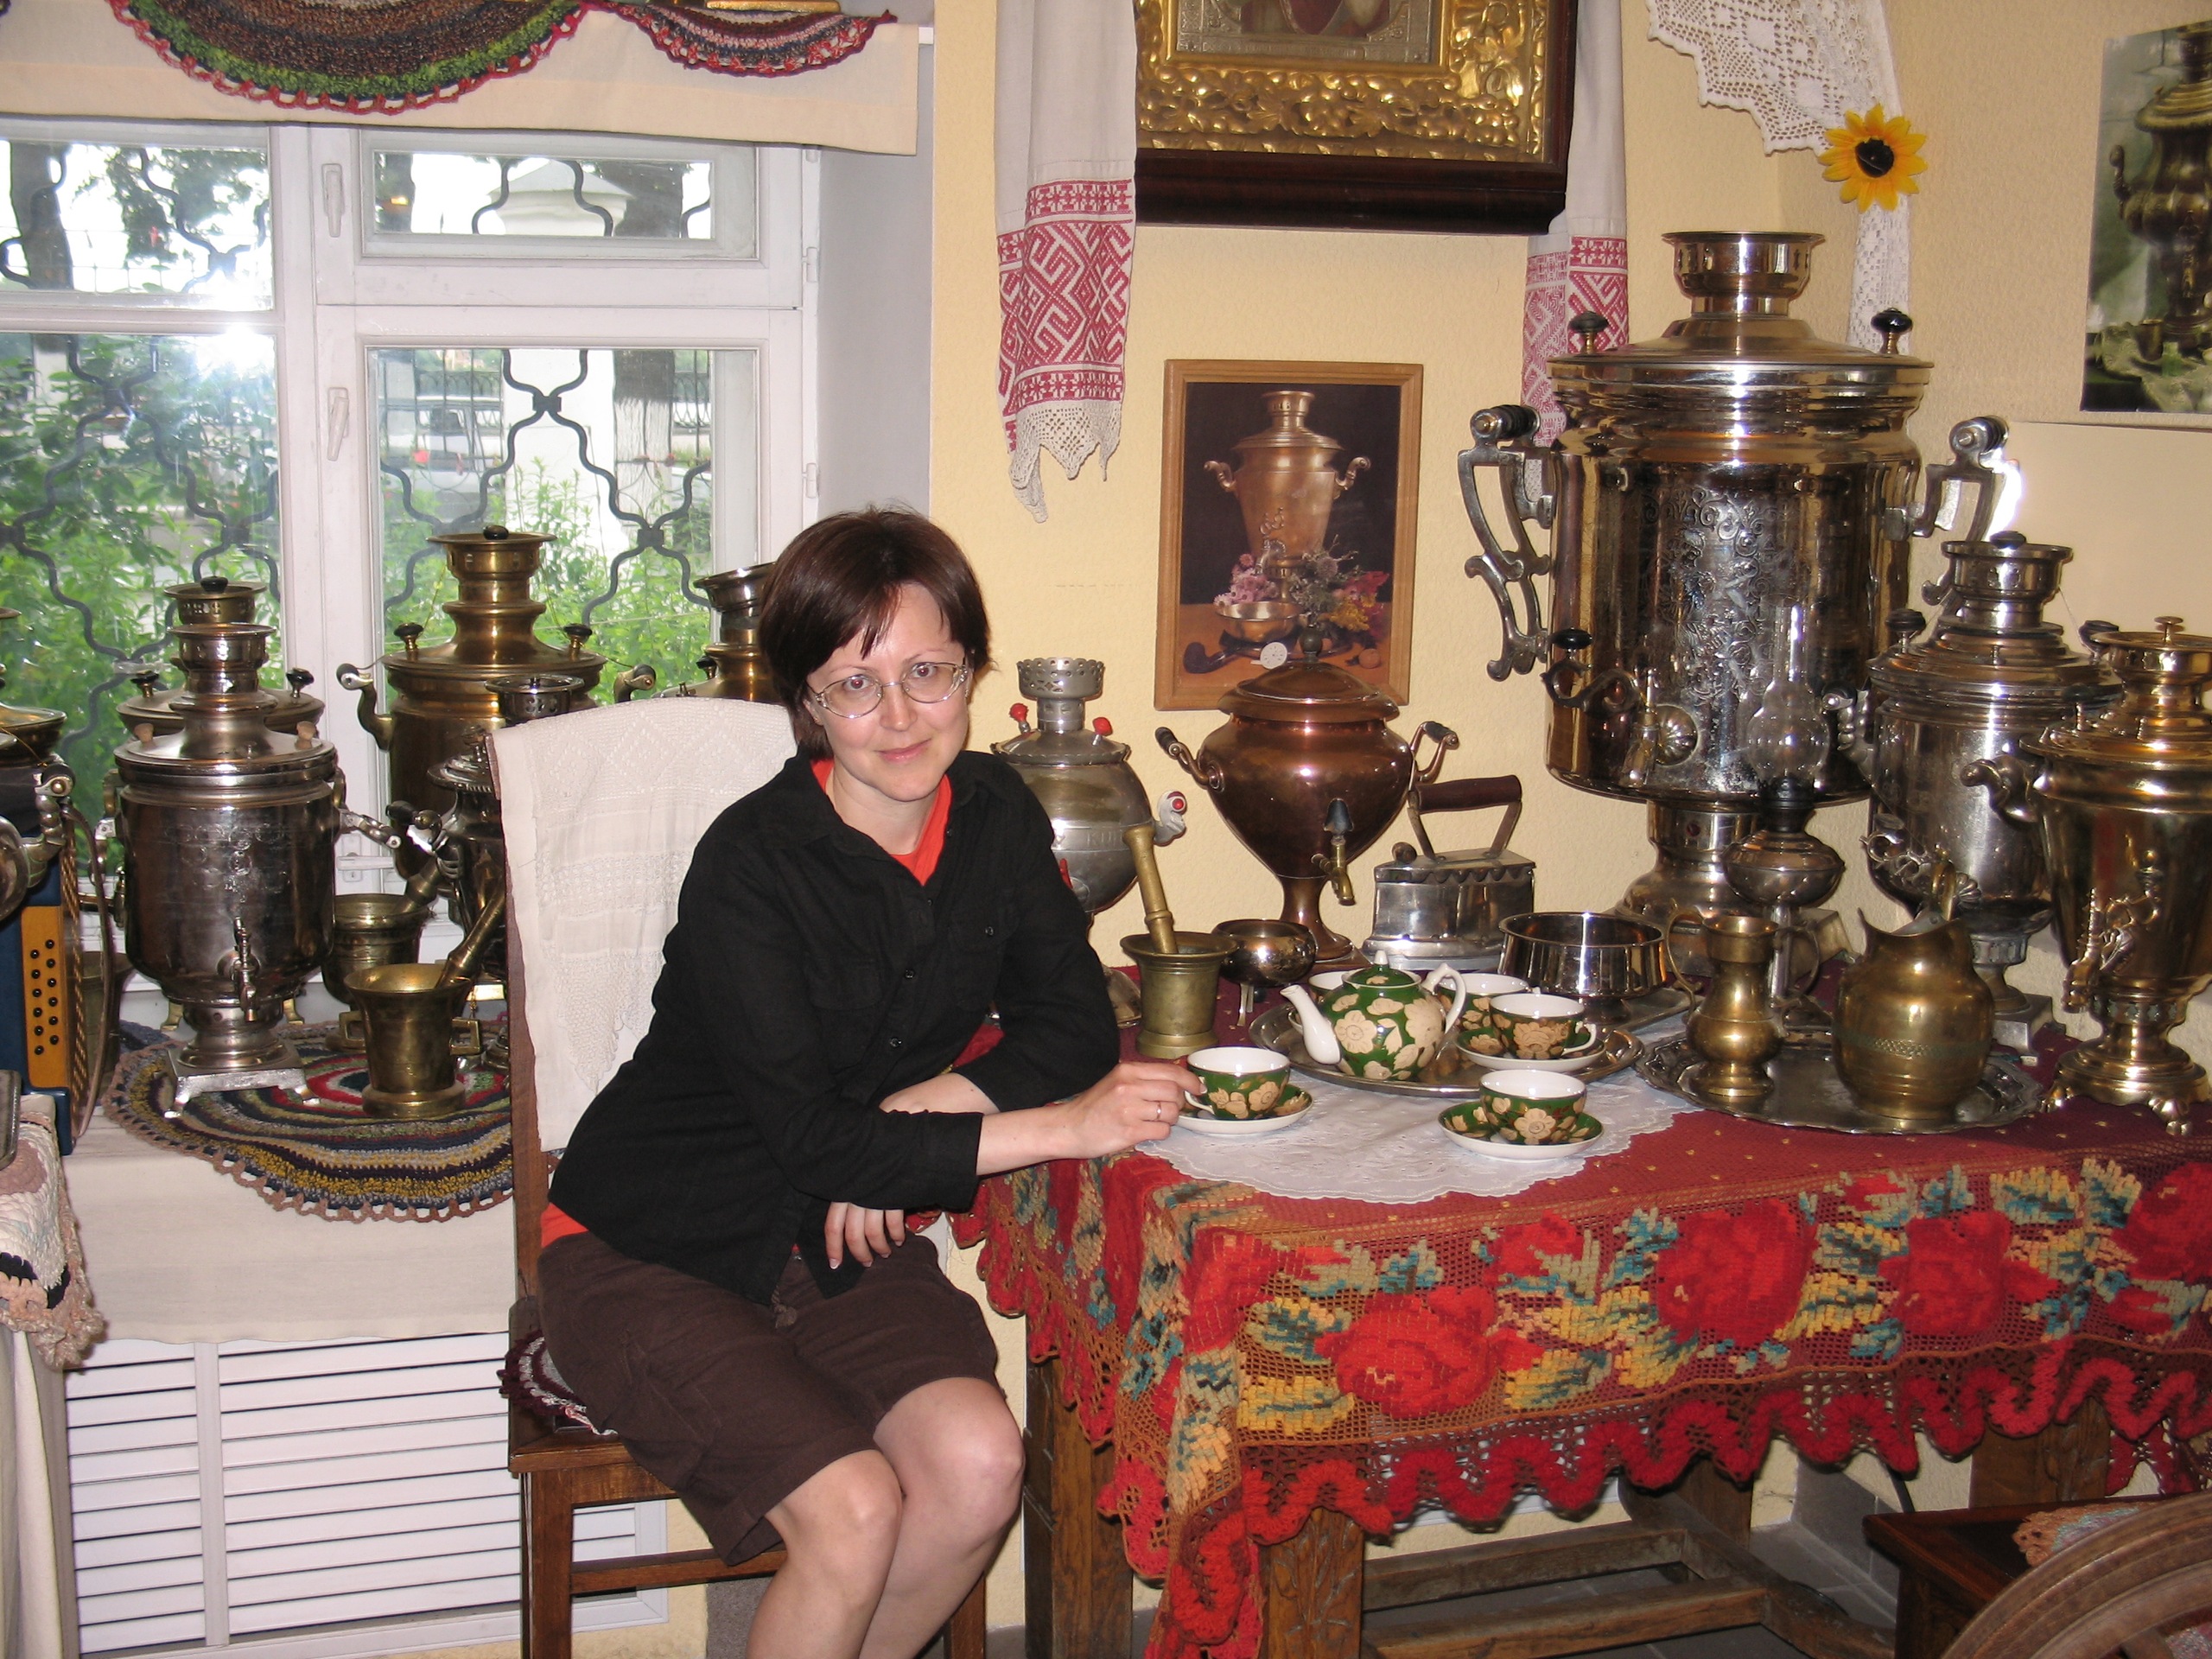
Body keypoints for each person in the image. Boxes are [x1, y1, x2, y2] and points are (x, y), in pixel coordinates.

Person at [537, 510, 1195, 1659]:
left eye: (927, 673)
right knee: (852, 1514)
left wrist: (929, 1104)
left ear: (973, 670)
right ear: (808, 700)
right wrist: (1058, 1129)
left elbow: (1074, 1021)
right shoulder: (751, 864)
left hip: (837, 1235)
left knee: (979, 1465)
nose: (899, 718)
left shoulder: (994, 811)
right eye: (855, 685)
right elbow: (813, 1140)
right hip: (650, 1245)